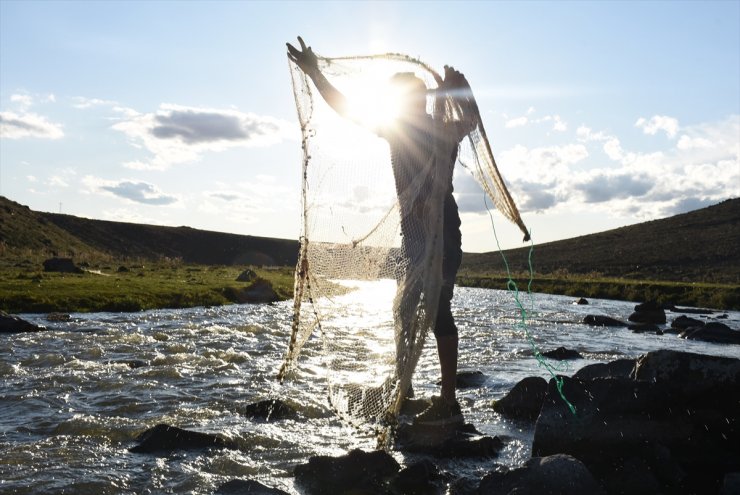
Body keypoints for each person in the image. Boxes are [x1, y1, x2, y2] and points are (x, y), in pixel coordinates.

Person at [287, 37, 476, 428]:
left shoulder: (442, 129)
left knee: (439, 311)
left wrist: (461, 89)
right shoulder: (395, 130)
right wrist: (316, 72)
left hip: (444, 234)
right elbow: (348, 110)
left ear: (419, 100)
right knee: (404, 310)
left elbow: (470, 120)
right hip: (413, 236)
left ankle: (447, 399)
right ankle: (403, 387)